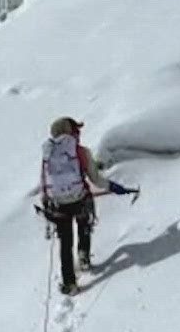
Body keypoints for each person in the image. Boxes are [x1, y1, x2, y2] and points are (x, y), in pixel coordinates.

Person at [40, 117, 135, 294]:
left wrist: (46, 202)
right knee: (84, 226)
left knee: (65, 243)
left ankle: (69, 283)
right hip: (80, 199)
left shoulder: (48, 154)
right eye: (76, 131)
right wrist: (114, 187)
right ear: (71, 132)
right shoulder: (80, 151)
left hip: (58, 205)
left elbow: (45, 182)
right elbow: (96, 179)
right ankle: (84, 258)